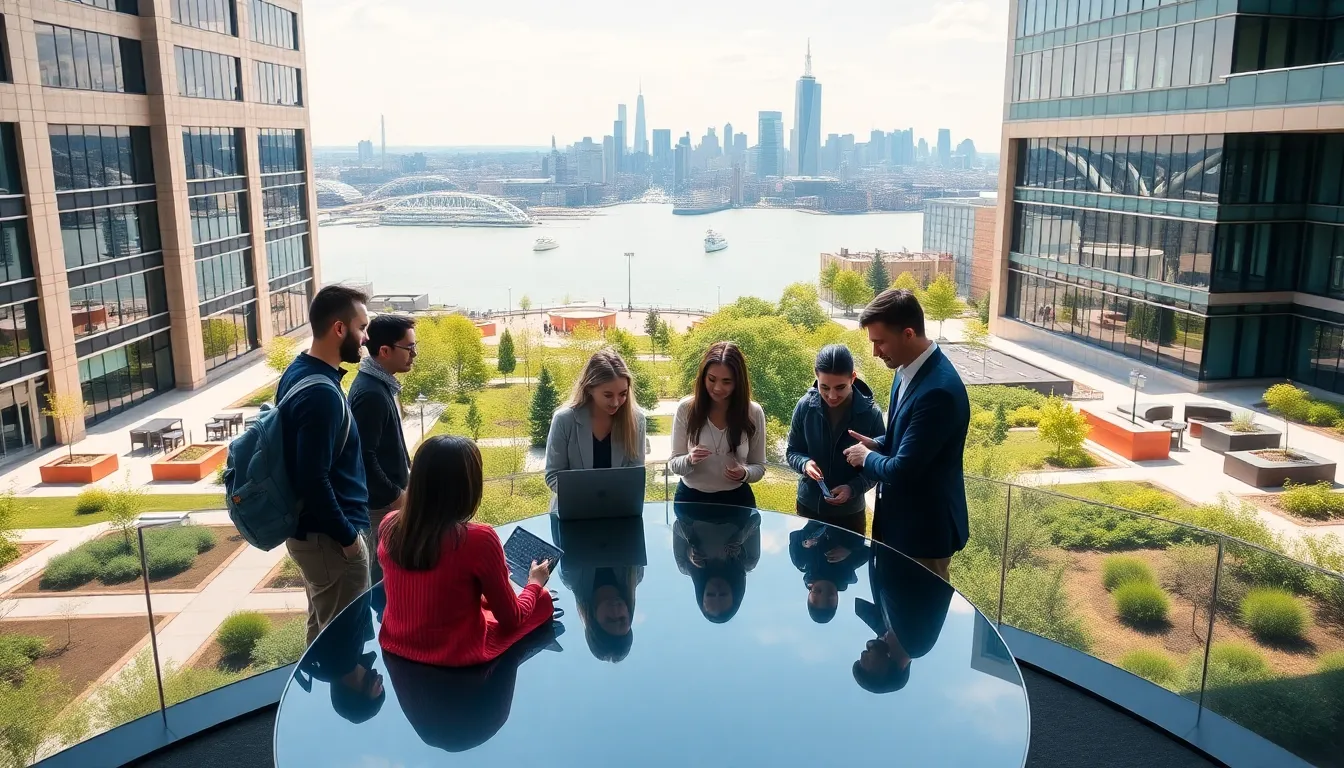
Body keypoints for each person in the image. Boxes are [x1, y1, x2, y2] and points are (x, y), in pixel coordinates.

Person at [378, 436, 554, 667]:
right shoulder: (479, 539)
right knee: (541, 601)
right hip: (457, 653)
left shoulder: (389, 524)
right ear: (470, 486)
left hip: (397, 641)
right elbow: (512, 619)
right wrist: (534, 583)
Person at [842, 289, 970, 581]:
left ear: (908, 334)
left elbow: (904, 469)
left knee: (918, 619)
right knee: (896, 618)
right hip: (900, 528)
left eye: (880, 342)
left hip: (924, 535)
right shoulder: (905, 370)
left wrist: (867, 456)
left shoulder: (939, 392)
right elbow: (910, 441)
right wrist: (878, 444)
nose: (875, 352)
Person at [278, 284, 372, 646]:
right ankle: (350, 698)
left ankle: (329, 698)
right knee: (343, 643)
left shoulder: (299, 371)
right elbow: (313, 479)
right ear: (339, 329)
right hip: (331, 542)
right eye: (361, 328)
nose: (364, 338)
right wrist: (349, 540)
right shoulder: (321, 394)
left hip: (316, 538)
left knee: (323, 632)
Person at [785, 344, 885, 536]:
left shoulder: (871, 414)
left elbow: (878, 466)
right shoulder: (805, 407)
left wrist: (852, 488)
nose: (832, 396)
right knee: (807, 560)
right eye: (824, 387)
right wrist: (804, 464)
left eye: (840, 387)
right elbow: (792, 452)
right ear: (816, 376)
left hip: (850, 513)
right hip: (809, 507)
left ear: (853, 378)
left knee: (845, 565)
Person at [350, 314, 416, 585]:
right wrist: (395, 496)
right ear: (385, 351)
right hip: (380, 510)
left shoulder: (378, 385)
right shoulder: (372, 394)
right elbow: (364, 458)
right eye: (409, 347)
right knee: (383, 583)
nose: (414, 354)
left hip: (385, 505)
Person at [667, 342, 767, 507]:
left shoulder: (753, 412)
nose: (717, 388)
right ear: (703, 377)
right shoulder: (686, 409)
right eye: (711, 379)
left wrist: (744, 473)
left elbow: (759, 467)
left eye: (727, 382)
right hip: (690, 500)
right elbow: (674, 464)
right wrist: (689, 459)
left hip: (738, 502)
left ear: (738, 382)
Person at [852, 545, 953, 694]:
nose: (862, 654)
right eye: (866, 662)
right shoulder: (915, 643)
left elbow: (866, 612)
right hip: (919, 538)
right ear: (885, 670)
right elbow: (898, 587)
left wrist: (883, 640)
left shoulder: (895, 634)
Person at [543, 349, 647, 494]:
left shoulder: (637, 420)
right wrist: (588, 499)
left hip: (619, 509)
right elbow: (553, 475)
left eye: (623, 394)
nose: (616, 402)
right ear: (589, 388)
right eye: (608, 395)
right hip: (574, 509)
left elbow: (635, 475)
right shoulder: (564, 420)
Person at [672, 503, 761, 623]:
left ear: (701, 594)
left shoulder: (685, 565)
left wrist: (690, 548)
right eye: (723, 594)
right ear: (734, 593)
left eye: (710, 594)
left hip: (694, 501)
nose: (717, 589)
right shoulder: (748, 561)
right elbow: (756, 518)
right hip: (735, 500)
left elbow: (677, 525)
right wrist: (741, 536)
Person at [788, 519, 869, 624]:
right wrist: (849, 548)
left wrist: (806, 542)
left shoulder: (802, 563)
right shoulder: (847, 568)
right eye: (829, 596)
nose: (824, 594)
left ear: (810, 592)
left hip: (819, 513)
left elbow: (795, 538)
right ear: (837, 598)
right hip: (850, 516)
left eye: (818, 593)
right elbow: (869, 545)